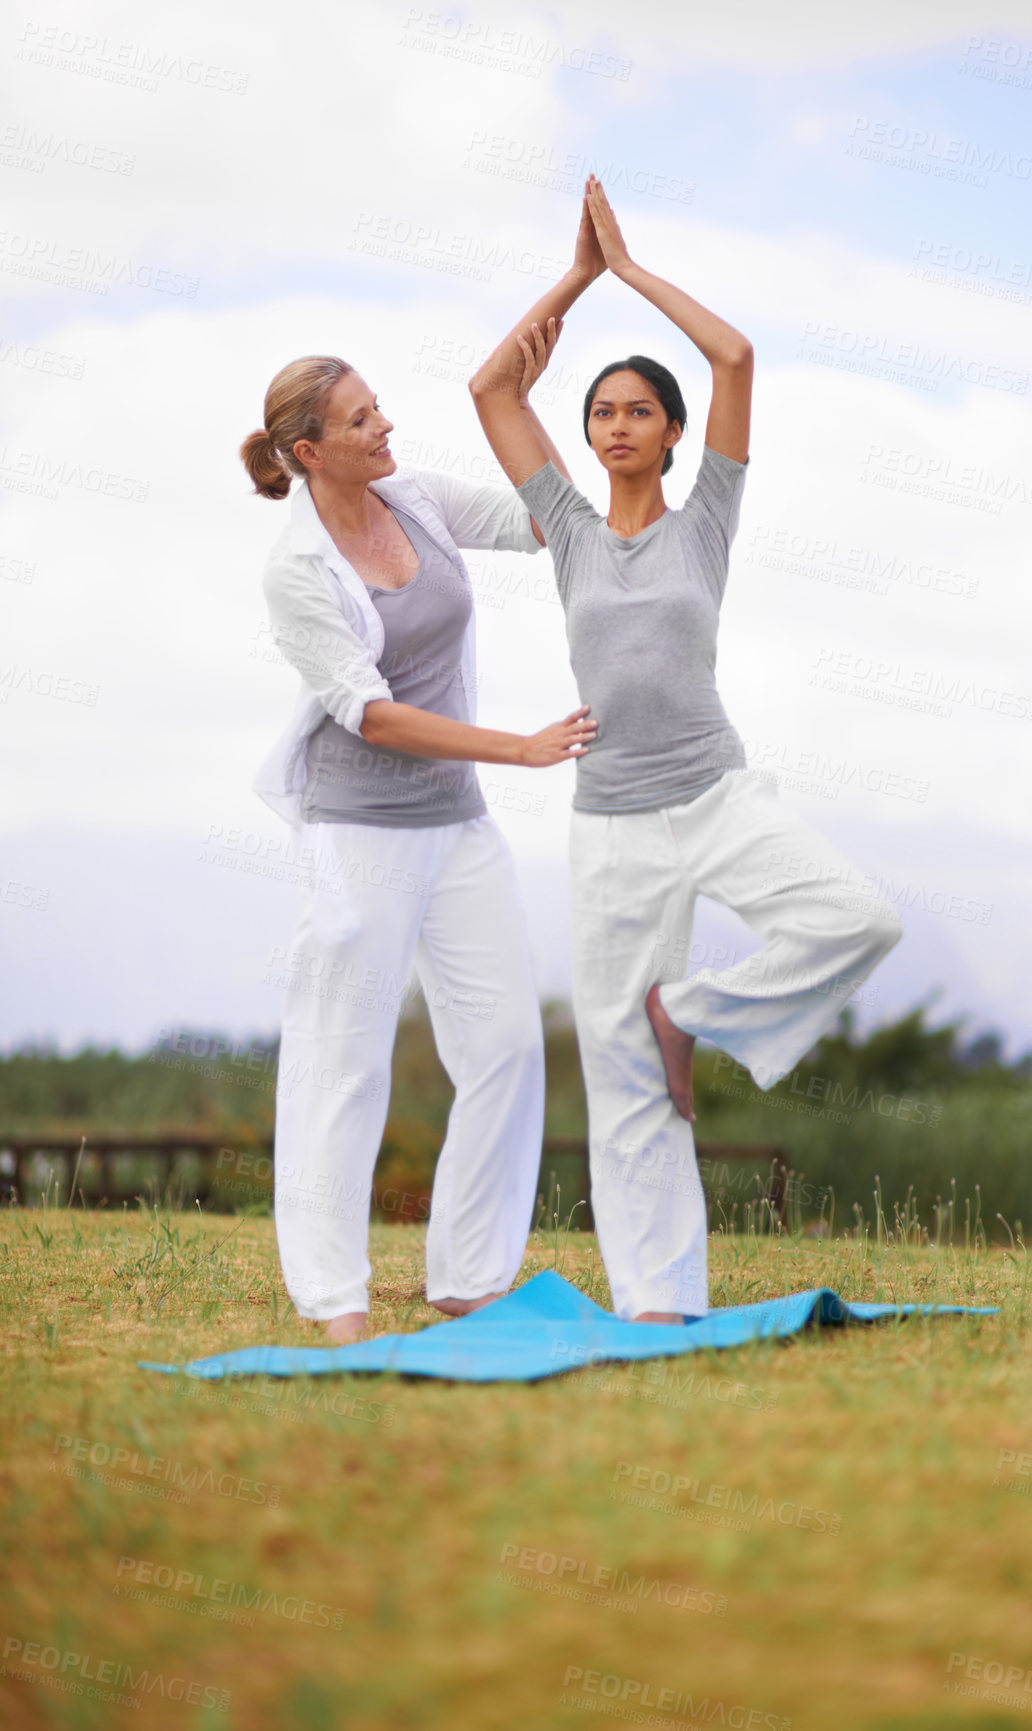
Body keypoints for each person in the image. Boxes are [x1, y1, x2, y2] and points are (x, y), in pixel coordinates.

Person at [469, 177, 903, 1323]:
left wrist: (633, 271)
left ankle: (698, 1012)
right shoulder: (561, 525)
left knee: (860, 917)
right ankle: (659, 1303)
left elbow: (739, 358)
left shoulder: (706, 516)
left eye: (637, 411)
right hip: (608, 822)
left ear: (669, 433)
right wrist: (574, 275)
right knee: (620, 1082)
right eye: (602, 411)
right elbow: (489, 387)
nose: (616, 424)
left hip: (716, 793)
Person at [241, 356, 597, 1342]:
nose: (385, 427)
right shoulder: (297, 569)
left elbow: (542, 521)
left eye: (380, 407)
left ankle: (469, 1275)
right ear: (312, 453)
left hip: (458, 825)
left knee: (506, 1047)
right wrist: (517, 749)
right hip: (359, 836)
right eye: (362, 421)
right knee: (340, 1062)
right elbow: (373, 716)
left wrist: (513, 402)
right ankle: (332, 1295)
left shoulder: (422, 501)